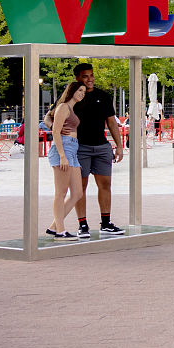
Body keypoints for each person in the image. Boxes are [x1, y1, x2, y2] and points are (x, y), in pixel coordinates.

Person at [70, 63, 126, 237]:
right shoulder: (71, 97)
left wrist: (119, 146)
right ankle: (83, 225)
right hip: (80, 148)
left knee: (105, 185)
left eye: (91, 75)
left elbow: (111, 122)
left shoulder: (103, 96)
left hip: (102, 147)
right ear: (78, 78)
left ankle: (106, 223)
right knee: (80, 187)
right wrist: (57, 129)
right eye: (85, 76)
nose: (90, 79)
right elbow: (50, 118)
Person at [45, 82, 88, 240]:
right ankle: (60, 231)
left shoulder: (71, 109)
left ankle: (54, 226)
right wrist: (62, 155)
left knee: (77, 192)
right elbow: (55, 131)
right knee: (61, 193)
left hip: (73, 150)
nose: (82, 93)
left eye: (83, 91)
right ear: (72, 91)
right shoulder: (63, 107)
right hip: (63, 149)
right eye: (79, 90)